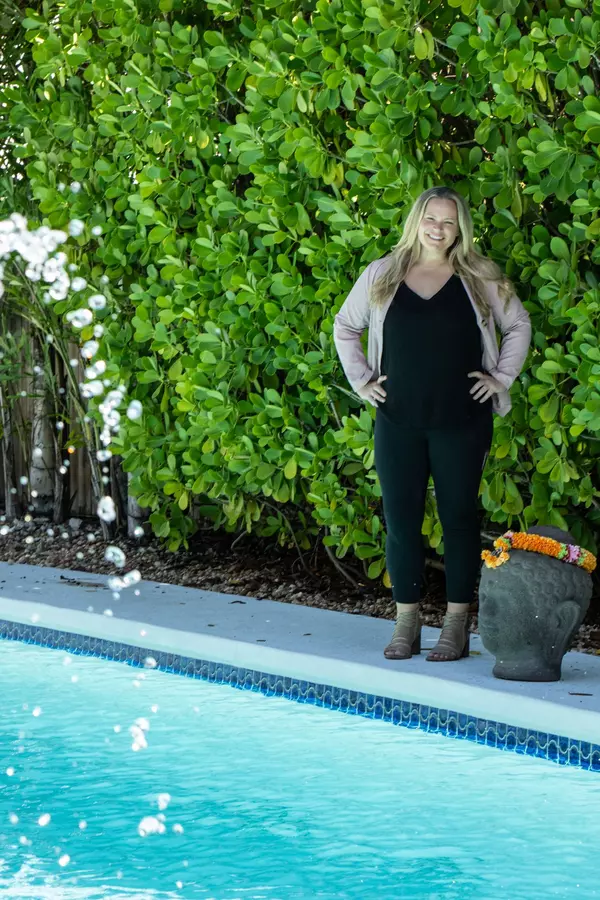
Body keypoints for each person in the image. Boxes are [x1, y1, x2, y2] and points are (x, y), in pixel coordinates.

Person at [333, 186, 531, 662]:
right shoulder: (383, 273)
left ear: (460, 226)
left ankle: (456, 626)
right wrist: (362, 381)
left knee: (459, 522)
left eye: (448, 221)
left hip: (461, 420)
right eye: (431, 219)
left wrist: (501, 377)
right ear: (416, 221)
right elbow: (346, 325)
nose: (438, 229)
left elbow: (518, 325)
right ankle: (407, 624)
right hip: (398, 419)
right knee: (401, 523)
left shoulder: (479, 276)